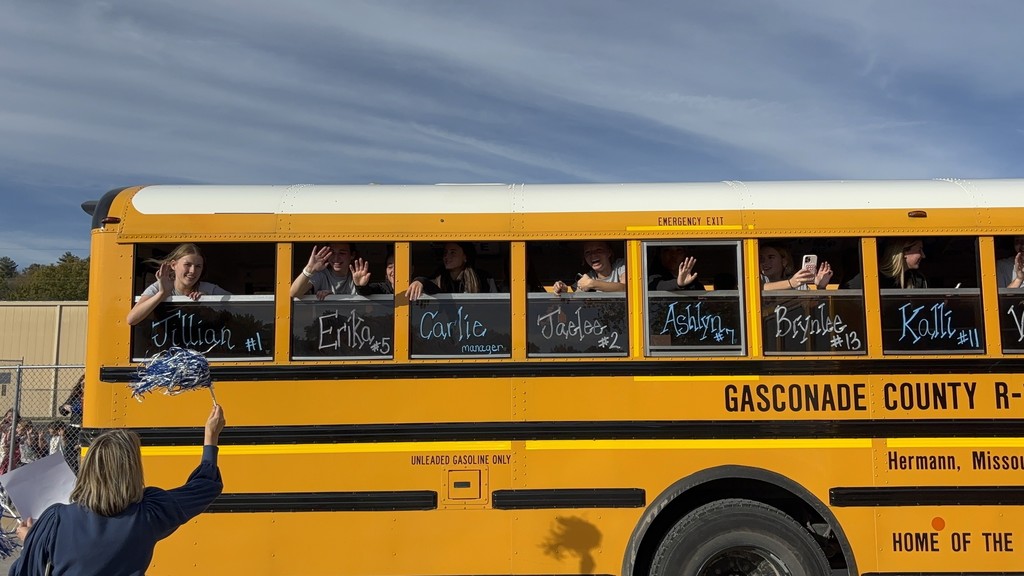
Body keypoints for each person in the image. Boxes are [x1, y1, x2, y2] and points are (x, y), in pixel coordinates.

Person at [11, 404, 226, 576]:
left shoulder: (55, 520)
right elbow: (205, 487)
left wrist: (32, 541)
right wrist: (211, 438)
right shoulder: (149, 513)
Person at [126, 243, 230, 326]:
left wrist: (210, 301)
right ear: (173, 265)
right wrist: (162, 293)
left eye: (198, 266)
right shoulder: (159, 286)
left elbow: (242, 308)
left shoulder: (209, 289)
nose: (193, 271)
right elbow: (132, 319)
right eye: (187, 265)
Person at [406, 243, 496, 301]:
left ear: (465, 257)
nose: (446, 256)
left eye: (452, 253)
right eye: (445, 253)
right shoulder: (439, 278)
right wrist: (419, 281)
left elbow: (495, 304)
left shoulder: (483, 279)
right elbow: (429, 284)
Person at [291, 243, 364, 300]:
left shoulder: (357, 276)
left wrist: (333, 298)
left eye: (342, 253)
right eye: (332, 253)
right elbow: (294, 293)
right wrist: (309, 268)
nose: (336, 258)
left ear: (352, 255)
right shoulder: (321, 275)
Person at [553, 241, 626, 294]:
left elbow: (626, 288)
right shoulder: (588, 276)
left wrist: (591, 283)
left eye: (599, 250)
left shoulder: (620, 266)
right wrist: (563, 290)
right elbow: (575, 296)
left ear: (609, 252)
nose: (593, 255)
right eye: (588, 252)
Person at [760, 243, 832, 291]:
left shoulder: (798, 282)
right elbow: (758, 288)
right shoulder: (758, 278)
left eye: (770, 257)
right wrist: (791, 283)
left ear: (784, 262)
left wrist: (821, 287)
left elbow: (813, 306)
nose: (764, 262)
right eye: (760, 258)